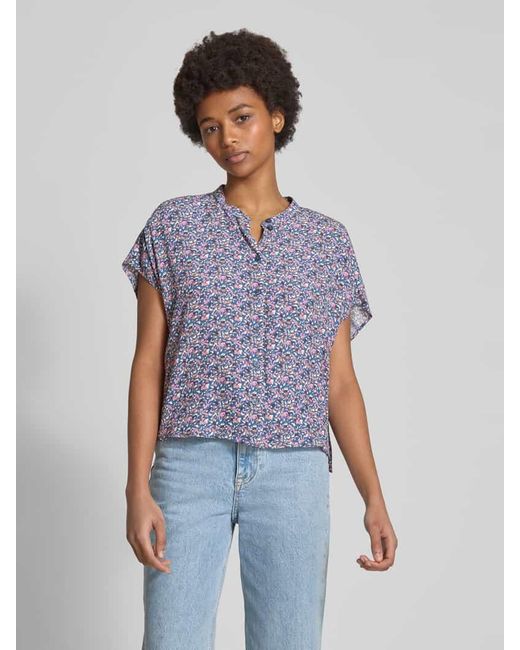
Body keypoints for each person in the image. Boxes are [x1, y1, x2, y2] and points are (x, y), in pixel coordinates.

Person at [122, 27, 398, 650]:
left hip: (294, 470)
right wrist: (137, 486)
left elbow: (340, 384)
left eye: (241, 117)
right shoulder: (172, 227)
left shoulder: (327, 243)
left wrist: (373, 497)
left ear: (276, 116)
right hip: (188, 464)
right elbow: (147, 365)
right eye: (210, 126)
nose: (227, 137)